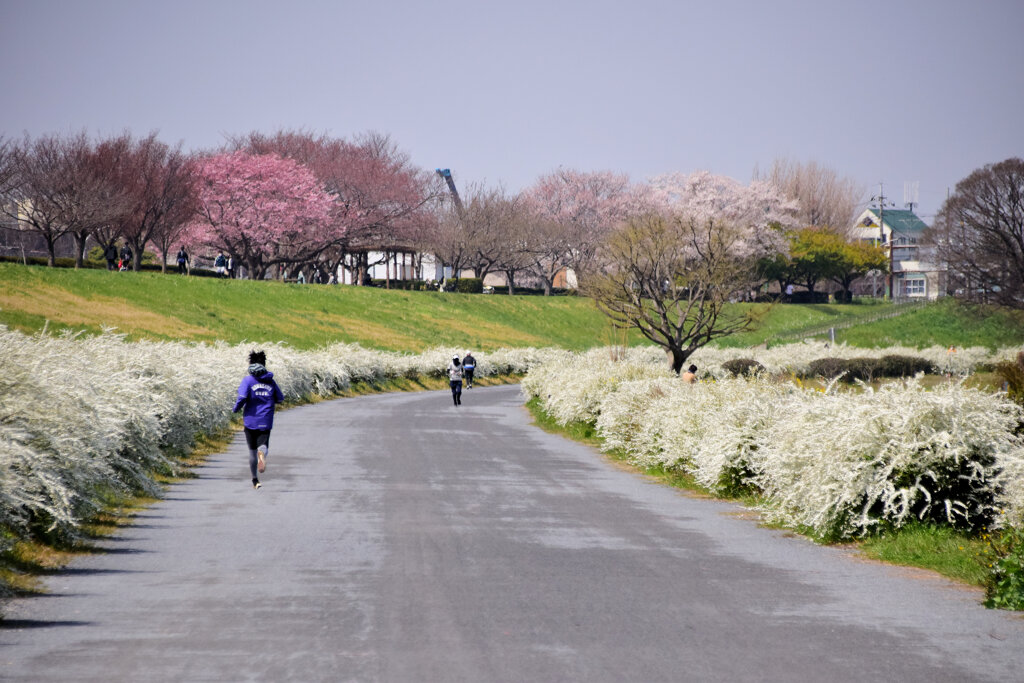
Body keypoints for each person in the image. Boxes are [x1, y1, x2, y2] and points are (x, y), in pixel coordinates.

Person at [233, 350, 285, 489]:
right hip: (266, 420)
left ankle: (255, 480)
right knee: (263, 445)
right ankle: (262, 454)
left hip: (250, 420)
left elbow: (242, 397)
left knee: (251, 452)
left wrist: (236, 408)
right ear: (264, 364)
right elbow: (280, 398)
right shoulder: (271, 381)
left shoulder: (248, 380)